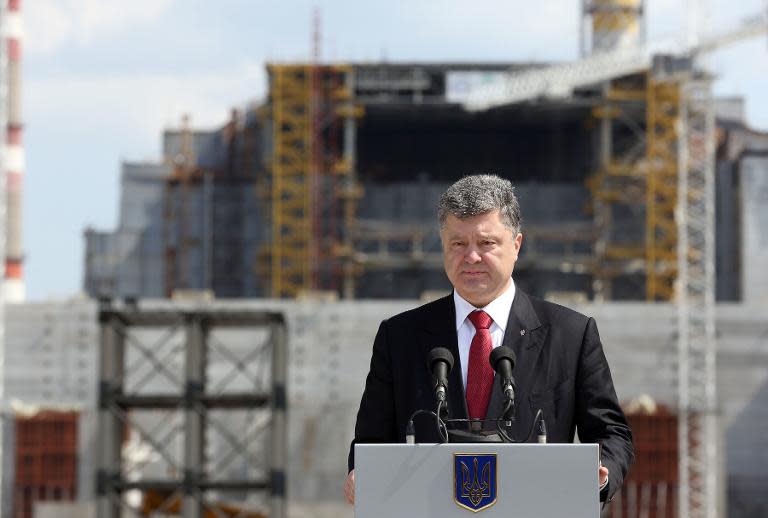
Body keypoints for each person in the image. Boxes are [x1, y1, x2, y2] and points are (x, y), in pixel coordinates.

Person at [344, 174, 633, 504]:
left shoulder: (571, 334)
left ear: (516, 245)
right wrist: (361, 472)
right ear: (442, 246)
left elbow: (612, 434)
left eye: (486, 244)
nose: (471, 257)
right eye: (458, 244)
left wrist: (599, 472)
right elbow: (370, 442)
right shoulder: (399, 337)